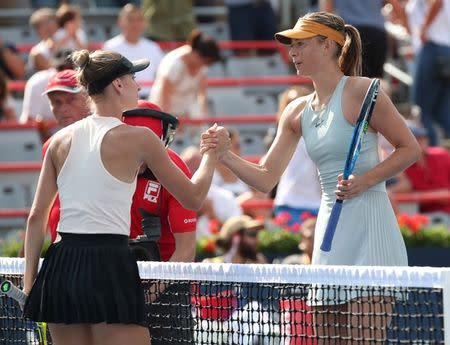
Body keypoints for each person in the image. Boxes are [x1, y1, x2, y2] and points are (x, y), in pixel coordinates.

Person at [201, 11, 420, 344]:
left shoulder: (364, 91)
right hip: (328, 236)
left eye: (301, 45)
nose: (293, 53)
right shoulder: (296, 111)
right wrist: (225, 154)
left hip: (372, 233)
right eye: (292, 46)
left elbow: (409, 149)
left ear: (328, 46)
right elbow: (264, 178)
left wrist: (366, 180)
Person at [23, 49, 230, 345]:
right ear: (118, 84)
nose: (139, 85)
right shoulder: (141, 139)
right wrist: (211, 156)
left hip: (61, 265)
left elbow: (36, 217)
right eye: (133, 78)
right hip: (109, 261)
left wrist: (31, 286)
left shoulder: (58, 140)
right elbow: (194, 197)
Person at [123, 100, 197, 344]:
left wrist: (149, 295)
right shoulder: (105, 165)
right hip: (117, 276)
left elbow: (185, 250)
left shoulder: (175, 171)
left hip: (167, 282)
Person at [273, 85, 321, 226]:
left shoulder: (322, 132)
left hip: (318, 203)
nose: (295, 110)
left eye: (300, 103)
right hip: (289, 201)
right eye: (290, 104)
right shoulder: (279, 137)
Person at [149, 29, 221, 119]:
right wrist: (169, 121)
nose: (205, 65)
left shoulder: (202, 65)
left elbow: (202, 93)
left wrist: (203, 116)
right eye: (205, 61)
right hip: (163, 111)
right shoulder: (173, 65)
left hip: (185, 112)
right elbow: (165, 97)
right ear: (196, 54)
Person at [180, 145, 243, 239]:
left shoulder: (225, 197)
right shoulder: (170, 197)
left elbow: (237, 233)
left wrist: (212, 215)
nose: (191, 173)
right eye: (186, 168)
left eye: (197, 168)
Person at [103, 4, 164, 98]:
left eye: (139, 19)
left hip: (151, 99)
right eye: (130, 19)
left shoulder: (153, 47)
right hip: (121, 100)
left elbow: (161, 77)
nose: (135, 24)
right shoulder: (110, 48)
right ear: (120, 22)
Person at [388, 122, 450, 215]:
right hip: (427, 216)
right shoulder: (405, 167)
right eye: (416, 138)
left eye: (423, 136)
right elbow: (400, 188)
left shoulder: (441, 154)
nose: (422, 140)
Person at [410, 0, 450, 146]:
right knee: (442, 112)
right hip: (445, 52)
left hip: (433, 51)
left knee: (422, 110)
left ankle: (431, 158)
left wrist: (424, 28)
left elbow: (438, 2)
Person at [20, 48, 75, 124]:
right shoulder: (37, 82)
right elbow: (30, 120)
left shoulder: (84, 81)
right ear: (53, 66)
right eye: (61, 68)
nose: (65, 72)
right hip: (42, 134)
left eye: (71, 68)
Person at [28, 8, 58, 73]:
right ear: (37, 30)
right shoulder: (36, 52)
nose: (50, 25)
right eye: (45, 23)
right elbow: (52, 73)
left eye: (51, 20)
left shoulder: (66, 42)